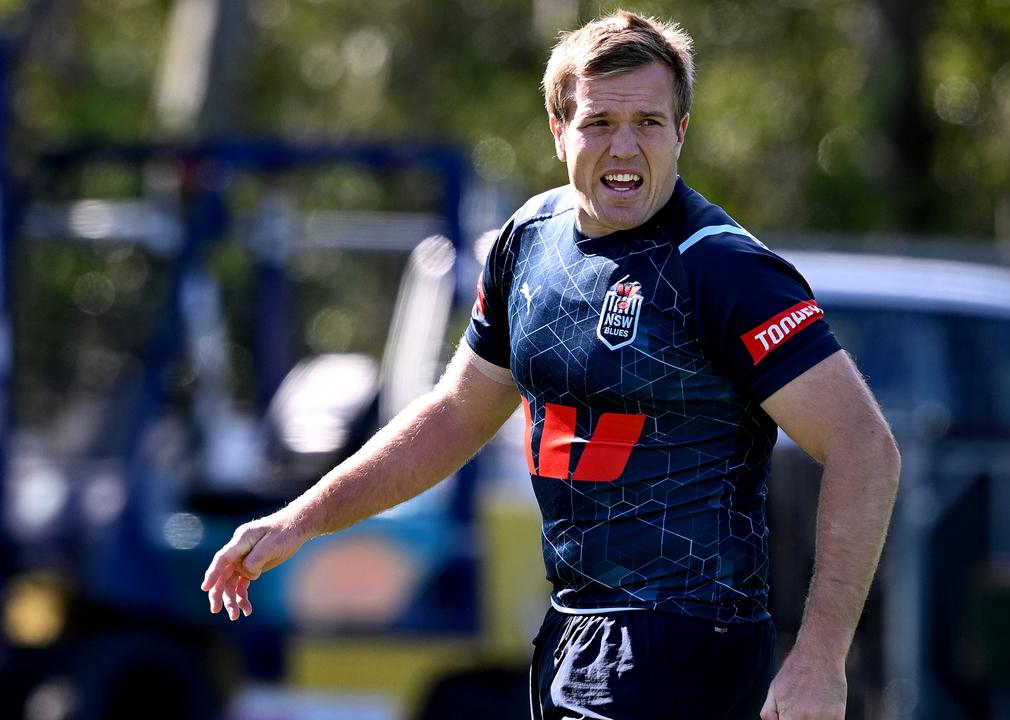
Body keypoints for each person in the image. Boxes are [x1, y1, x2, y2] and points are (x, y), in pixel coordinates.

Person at [202, 10, 899, 720]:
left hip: (687, 638)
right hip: (570, 628)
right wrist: (302, 518)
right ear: (558, 130)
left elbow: (864, 447)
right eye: (599, 122)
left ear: (681, 133)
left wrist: (819, 656)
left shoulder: (721, 268)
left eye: (650, 123)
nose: (624, 147)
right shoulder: (528, 241)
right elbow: (455, 414)